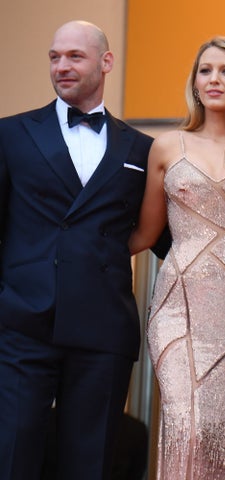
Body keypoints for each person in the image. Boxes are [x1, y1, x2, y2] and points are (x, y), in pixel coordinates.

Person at [128, 37, 225, 479]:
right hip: (177, 308)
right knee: (185, 425)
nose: (214, 79)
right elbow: (144, 233)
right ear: (194, 81)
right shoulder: (166, 146)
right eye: (205, 70)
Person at [0, 20, 154, 479]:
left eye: (74, 56)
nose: (61, 66)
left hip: (104, 329)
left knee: (90, 467)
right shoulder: (10, 134)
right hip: (22, 326)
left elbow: (164, 231)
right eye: (54, 57)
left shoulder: (142, 148)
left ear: (106, 62)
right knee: (11, 458)